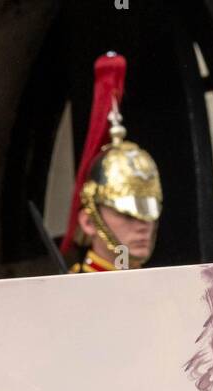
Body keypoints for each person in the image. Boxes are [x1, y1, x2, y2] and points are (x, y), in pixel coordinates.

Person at [61, 52, 162, 274]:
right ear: (89, 221)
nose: (143, 226)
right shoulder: (70, 294)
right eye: (128, 214)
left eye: (148, 212)